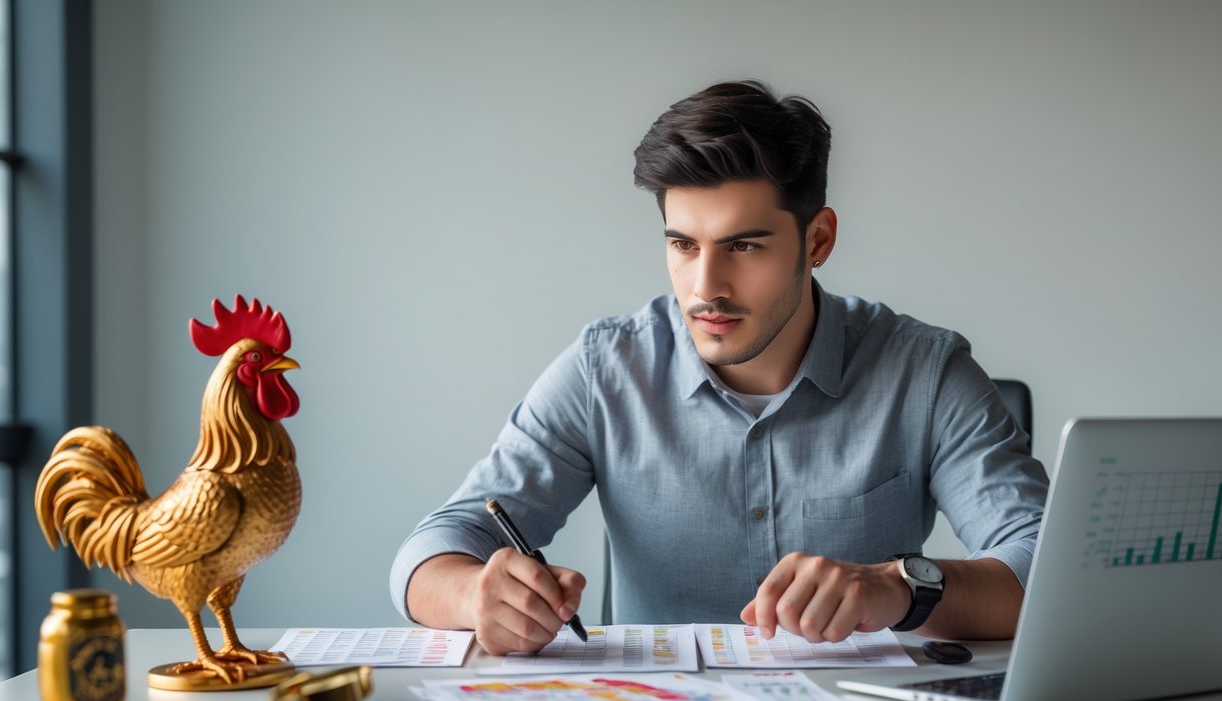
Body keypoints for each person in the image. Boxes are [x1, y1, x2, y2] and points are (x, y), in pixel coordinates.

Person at [390, 80, 1049, 656]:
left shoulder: (925, 373)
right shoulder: (605, 370)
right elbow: (431, 551)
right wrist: (477, 595)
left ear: (817, 240)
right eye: (683, 244)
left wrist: (900, 587)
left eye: (744, 246)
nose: (706, 286)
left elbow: (1049, 567)